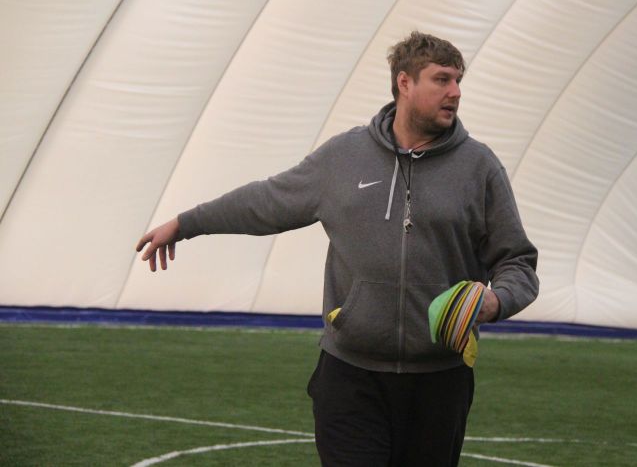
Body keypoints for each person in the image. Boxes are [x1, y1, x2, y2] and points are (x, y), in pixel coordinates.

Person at [136, 31, 539, 466]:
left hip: (441, 382)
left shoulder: (479, 167)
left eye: (458, 80)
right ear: (404, 83)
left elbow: (517, 262)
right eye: (442, 79)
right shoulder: (344, 157)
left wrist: (496, 301)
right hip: (350, 377)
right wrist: (186, 224)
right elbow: (267, 201)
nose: (455, 92)